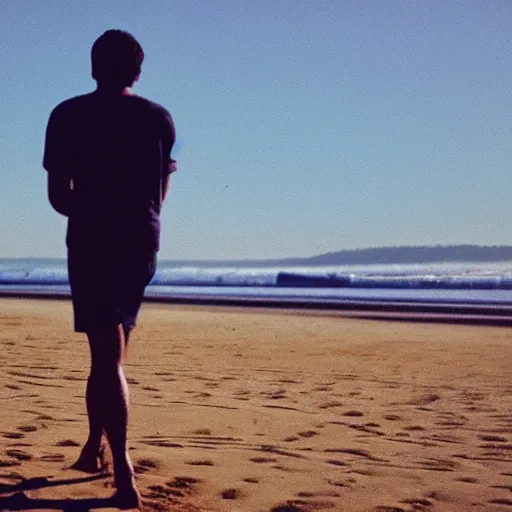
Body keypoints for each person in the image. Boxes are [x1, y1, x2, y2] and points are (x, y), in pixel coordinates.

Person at [43, 29, 177, 510]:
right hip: (141, 240)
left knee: (105, 354)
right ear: (138, 72)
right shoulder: (158, 119)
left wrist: (94, 207)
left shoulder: (67, 115)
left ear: (94, 67)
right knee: (114, 349)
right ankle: (93, 448)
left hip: (93, 239)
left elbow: (60, 197)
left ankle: (123, 471)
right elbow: (157, 198)